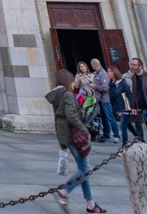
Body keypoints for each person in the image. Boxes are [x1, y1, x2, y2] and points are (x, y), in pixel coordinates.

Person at [47, 69, 106, 213]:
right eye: (73, 81)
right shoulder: (66, 95)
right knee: (85, 169)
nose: (75, 83)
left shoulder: (59, 95)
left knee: (83, 169)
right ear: (68, 81)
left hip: (65, 133)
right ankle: (64, 191)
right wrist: (85, 130)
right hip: (73, 134)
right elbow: (71, 116)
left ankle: (90, 204)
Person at [108, 65, 143, 145]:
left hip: (126, 107)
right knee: (128, 125)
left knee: (123, 126)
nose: (109, 73)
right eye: (108, 71)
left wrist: (132, 106)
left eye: (110, 71)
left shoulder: (122, 83)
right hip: (118, 107)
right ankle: (139, 137)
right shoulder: (111, 84)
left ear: (115, 72)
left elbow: (129, 94)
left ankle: (124, 145)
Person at [90, 59, 116, 142]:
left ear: (93, 65)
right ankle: (106, 134)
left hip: (105, 99)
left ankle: (116, 135)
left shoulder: (103, 74)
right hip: (99, 99)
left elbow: (105, 87)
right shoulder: (96, 73)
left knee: (110, 117)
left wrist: (94, 86)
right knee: (103, 118)